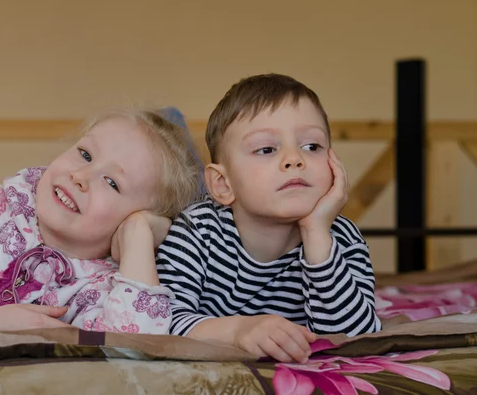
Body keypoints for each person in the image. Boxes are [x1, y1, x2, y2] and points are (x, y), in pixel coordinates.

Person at [0, 107, 201, 344]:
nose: (81, 176)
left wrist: (138, 234)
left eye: (112, 183)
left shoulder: (105, 287)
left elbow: (136, 348)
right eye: (84, 154)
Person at [156, 74, 381, 364]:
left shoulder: (340, 237)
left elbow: (355, 336)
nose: (294, 159)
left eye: (311, 146)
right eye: (266, 149)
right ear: (223, 184)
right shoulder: (198, 230)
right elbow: (160, 323)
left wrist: (316, 236)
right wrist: (238, 329)